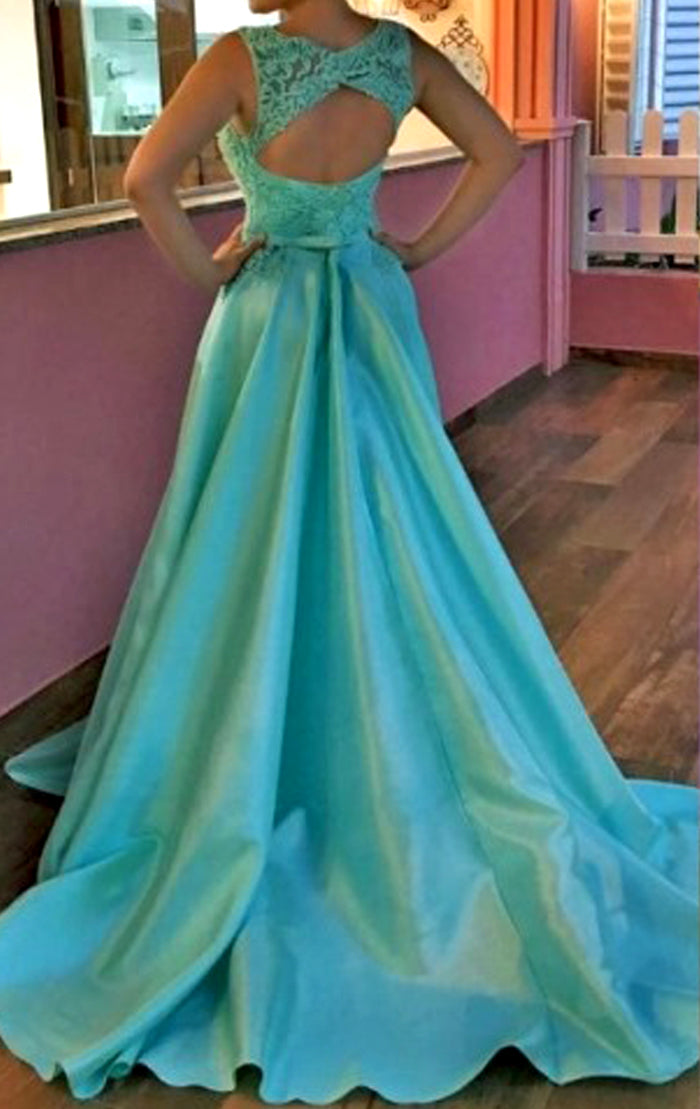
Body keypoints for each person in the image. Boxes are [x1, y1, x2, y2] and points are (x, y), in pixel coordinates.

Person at [0, 0, 697, 1102]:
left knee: (243, 525)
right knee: (396, 508)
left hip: (268, 311)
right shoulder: (398, 53)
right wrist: (414, 246)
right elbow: (497, 152)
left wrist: (213, 270)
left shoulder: (241, 58)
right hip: (370, 297)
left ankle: (256, 714)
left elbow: (143, 180)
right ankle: (381, 695)